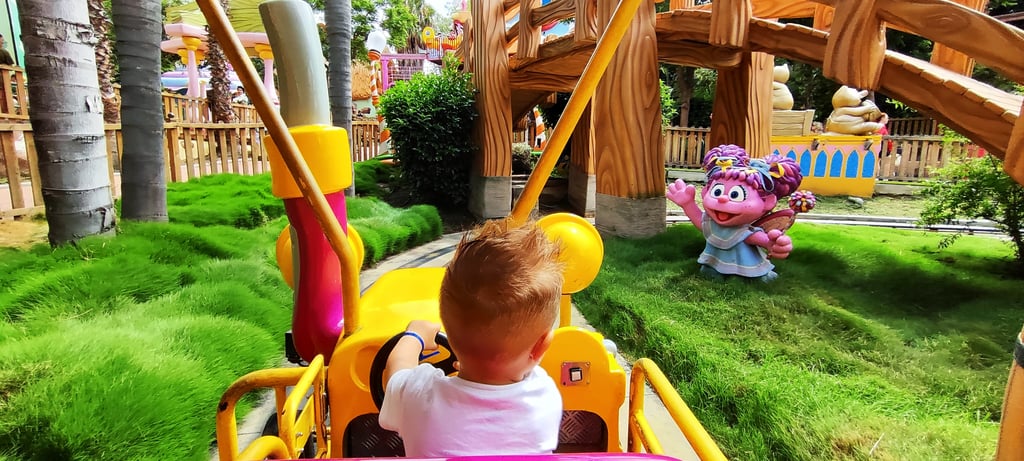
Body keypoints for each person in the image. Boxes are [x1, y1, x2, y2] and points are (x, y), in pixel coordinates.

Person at [378, 219, 564, 457]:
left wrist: (414, 335)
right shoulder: (544, 396)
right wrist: (481, 368)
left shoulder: (419, 394)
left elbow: (397, 372)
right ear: (541, 346)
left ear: (449, 333)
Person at [666, 144, 805, 282]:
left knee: (753, 280)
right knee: (710, 273)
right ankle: (712, 269)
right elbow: (700, 223)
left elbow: (762, 240)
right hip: (713, 260)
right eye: (717, 191)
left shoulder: (744, 232)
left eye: (735, 195)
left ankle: (754, 277)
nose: (722, 198)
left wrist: (772, 244)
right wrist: (688, 204)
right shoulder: (711, 223)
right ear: (705, 192)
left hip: (744, 266)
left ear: (767, 202)